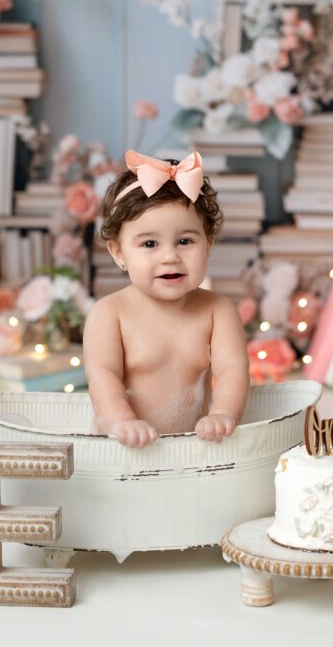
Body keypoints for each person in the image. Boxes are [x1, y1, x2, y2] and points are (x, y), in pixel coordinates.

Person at [83, 150, 250, 448]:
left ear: (208, 243)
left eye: (185, 241)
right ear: (119, 253)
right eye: (149, 243)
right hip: (123, 448)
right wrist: (122, 421)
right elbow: (102, 375)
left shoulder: (217, 310)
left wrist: (223, 413)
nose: (170, 257)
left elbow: (232, 369)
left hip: (190, 449)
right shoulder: (110, 313)